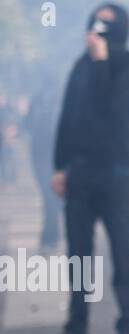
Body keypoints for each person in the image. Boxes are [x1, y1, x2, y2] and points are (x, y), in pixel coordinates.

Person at [42, 3, 129, 334]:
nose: (98, 28)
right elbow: (68, 116)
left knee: (121, 250)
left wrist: (101, 62)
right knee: (79, 255)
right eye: (95, 21)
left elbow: (114, 107)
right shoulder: (79, 65)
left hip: (116, 170)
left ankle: (128, 327)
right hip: (81, 171)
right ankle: (75, 327)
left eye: (107, 22)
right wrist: (59, 166)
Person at [24, 84, 62, 251]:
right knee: (51, 197)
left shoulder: (38, 101)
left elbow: (27, 125)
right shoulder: (59, 101)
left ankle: (50, 235)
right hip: (51, 156)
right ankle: (51, 235)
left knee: (50, 197)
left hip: (44, 156)